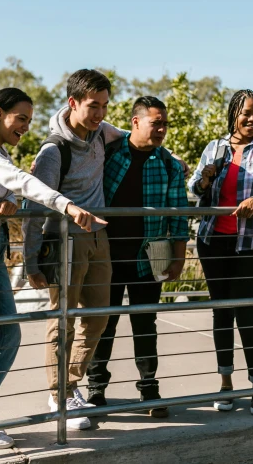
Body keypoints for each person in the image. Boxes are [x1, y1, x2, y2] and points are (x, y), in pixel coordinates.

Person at [0, 87, 105, 449]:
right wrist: (66, 205)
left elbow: (5, 188)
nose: (26, 126)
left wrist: (8, 202)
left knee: (7, 335)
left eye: (29, 119)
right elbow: (17, 178)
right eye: (21, 118)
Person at [23, 69, 126, 431]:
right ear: (73, 103)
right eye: (93, 106)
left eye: (105, 106)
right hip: (64, 238)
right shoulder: (53, 151)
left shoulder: (102, 132)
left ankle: (70, 383)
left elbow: (132, 136)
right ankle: (59, 395)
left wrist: (170, 156)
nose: (100, 114)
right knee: (62, 317)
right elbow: (35, 207)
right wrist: (30, 260)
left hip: (99, 236)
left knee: (99, 315)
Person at [188, 89, 253, 416]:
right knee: (221, 313)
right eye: (247, 113)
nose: (252, 119)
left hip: (248, 244)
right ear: (234, 113)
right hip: (212, 241)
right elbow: (194, 189)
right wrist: (205, 178)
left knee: (247, 313)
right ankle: (226, 384)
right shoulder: (214, 148)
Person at [85, 96, 189, 418]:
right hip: (107, 255)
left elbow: (179, 216)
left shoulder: (169, 165)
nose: (161, 130)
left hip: (152, 254)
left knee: (145, 323)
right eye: (155, 123)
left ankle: (149, 389)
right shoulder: (110, 155)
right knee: (104, 323)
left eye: (164, 124)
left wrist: (178, 258)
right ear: (135, 122)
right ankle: (96, 390)